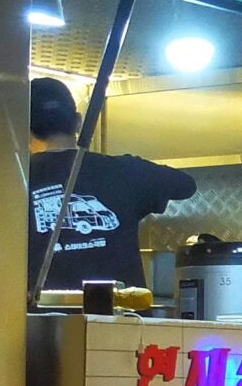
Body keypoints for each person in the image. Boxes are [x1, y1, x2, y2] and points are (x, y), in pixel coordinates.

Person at [25, 75, 195, 292]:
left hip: (41, 312)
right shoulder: (125, 171)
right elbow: (186, 185)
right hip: (120, 310)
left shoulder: (16, 181)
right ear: (78, 122)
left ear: (26, 128)